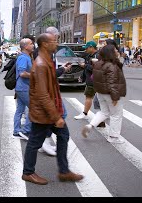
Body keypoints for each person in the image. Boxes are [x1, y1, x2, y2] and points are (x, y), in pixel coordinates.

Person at [22, 32, 84, 185]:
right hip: (44, 113)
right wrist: (56, 117)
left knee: (63, 136)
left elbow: (50, 84)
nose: (56, 44)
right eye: (54, 41)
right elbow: (43, 95)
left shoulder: (46, 61)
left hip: (50, 111)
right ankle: (28, 172)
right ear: (44, 44)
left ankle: (64, 171)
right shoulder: (41, 64)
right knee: (35, 142)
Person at [82, 44, 127, 144]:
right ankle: (114, 137)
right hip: (110, 93)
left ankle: (90, 125)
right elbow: (112, 82)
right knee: (116, 115)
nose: (117, 51)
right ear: (111, 53)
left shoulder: (99, 63)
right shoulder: (111, 66)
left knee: (104, 112)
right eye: (115, 50)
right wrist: (115, 97)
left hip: (100, 92)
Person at [13, 38, 34, 140]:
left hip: (22, 87)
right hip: (24, 88)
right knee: (34, 108)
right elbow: (22, 73)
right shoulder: (23, 58)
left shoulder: (26, 56)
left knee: (20, 110)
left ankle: (16, 131)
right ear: (26, 46)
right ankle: (26, 131)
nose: (33, 45)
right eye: (31, 44)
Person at [74, 40, 98, 121]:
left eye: (87, 48)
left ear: (91, 47)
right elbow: (87, 69)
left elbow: (96, 69)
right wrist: (82, 76)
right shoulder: (89, 56)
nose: (85, 50)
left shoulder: (96, 56)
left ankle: (85, 113)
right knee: (96, 98)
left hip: (94, 80)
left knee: (89, 96)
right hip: (91, 80)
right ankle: (105, 114)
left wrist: (85, 65)